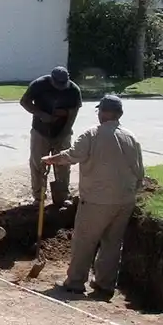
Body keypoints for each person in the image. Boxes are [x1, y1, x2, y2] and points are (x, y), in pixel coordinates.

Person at [42, 94, 145, 302]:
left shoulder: (92, 134)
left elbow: (72, 155)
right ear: (120, 114)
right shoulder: (131, 136)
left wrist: (49, 159)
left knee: (84, 241)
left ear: (103, 113)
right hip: (125, 200)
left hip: (98, 200)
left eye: (100, 111)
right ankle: (105, 285)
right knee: (112, 243)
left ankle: (75, 282)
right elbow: (140, 171)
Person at [20, 65, 83, 207]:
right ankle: (38, 197)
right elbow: (24, 102)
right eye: (58, 84)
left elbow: (73, 116)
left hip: (63, 132)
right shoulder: (39, 85)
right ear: (52, 79)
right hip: (40, 131)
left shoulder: (73, 90)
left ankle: (62, 195)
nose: (61, 87)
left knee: (63, 164)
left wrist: (63, 134)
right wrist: (41, 114)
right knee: (38, 164)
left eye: (63, 84)